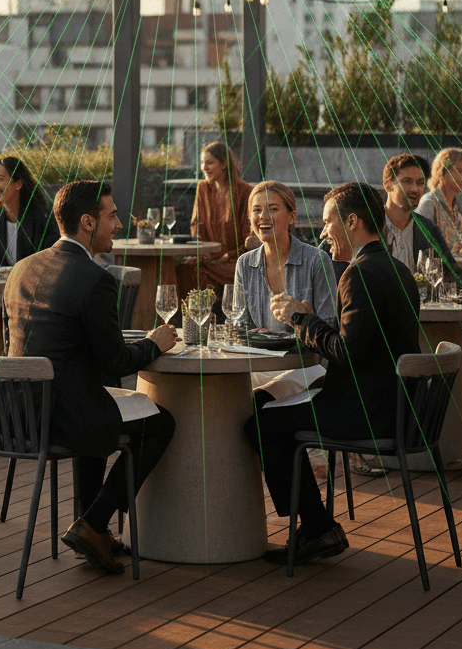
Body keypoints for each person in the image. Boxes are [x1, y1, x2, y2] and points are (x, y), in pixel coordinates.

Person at [3, 180, 177, 576]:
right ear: (87, 222)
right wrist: (155, 343)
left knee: (94, 402)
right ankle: (95, 523)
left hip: (15, 417)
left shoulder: (22, 268)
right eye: (111, 216)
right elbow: (116, 361)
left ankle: (89, 527)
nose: (118, 224)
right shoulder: (96, 279)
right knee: (161, 423)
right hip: (64, 419)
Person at [247, 182, 421, 565]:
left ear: (353, 221)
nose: (323, 232)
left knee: (259, 421)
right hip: (397, 408)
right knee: (264, 405)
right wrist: (309, 320)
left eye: (328, 223)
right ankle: (316, 525)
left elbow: (345, 352)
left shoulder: (357, 275)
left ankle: (316, 527)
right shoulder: (398, 270)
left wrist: (298, 318)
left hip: (365, 412)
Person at [233, 181, 337, 334]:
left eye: (273, 209)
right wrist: (257, 336)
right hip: (259, 356)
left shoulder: (317, 260)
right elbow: (239, 326)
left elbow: (330, 328)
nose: (263, 216)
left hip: (302, 357)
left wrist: (303, 318)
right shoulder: (244, 264)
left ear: (292, 217)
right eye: (257, 210)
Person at [177, 141, 254, 301]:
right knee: (183, 270)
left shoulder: (246, 191)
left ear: (224, 164)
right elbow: (196, 225)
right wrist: (201, 250)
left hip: (235, 260)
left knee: (235, 272)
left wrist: (228, 256)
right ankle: (189, 317)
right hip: (208, 259)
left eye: (209, 162)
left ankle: (216, 310)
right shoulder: (203, 188)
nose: (204, 167)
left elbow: (250, 236)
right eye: (202, 163)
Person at [381, 153, 462, 287]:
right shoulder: (369, 225)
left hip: (422, 306)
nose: (415, 189)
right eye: (407, 181)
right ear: (388, 185)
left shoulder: (428, 229)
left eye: (420, 183)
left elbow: (453, 272)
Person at [0, 156, 59, 267]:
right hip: (0, 283)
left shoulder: (41, 216)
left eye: (0, 179)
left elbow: (49, 262)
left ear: (18, 184)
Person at [416, 147, 462, 258]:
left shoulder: (456, 206)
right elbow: (420, 249)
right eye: (459, 171)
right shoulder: (429, 203)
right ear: (443, 173)